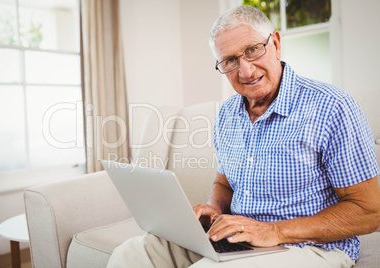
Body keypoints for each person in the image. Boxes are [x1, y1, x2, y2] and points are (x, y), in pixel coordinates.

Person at [108, 5, 380, 268]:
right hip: (237, 239)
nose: (246, 71)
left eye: (252, 50)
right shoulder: (227, 113)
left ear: (275, 43)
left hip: (310, 247)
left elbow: (369, 211)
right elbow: (224, 183)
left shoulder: (332, 106)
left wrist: (273, 231)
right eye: (230, 60)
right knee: (130, 255)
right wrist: (216, 209)